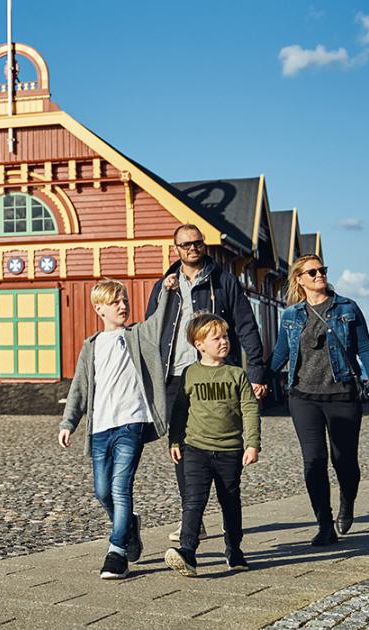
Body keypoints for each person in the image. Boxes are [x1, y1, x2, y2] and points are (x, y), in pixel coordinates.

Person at [146, 224, 267, 543]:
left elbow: (246, 326)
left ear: (204, 245)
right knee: (181, 447)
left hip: (216, 373)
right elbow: (150, 331)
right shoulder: (164, 285)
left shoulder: (224, 280)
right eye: (185, 245)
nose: (192, 248)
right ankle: (193, 519)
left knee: (222, 441)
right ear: (176, 249)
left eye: (197, 243)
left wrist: (256, 371)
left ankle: (230, 520)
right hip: (175, 375)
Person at [267, 255, 369, 546]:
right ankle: (324, 524)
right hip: (303, 397)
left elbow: (366, 347)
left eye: (322, 270)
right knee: (314, 461)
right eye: (312, 272)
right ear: (299, 279)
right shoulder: (291, 316)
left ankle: (347, 504)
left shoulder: (347, 308)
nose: (319, 275)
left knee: (344, 460)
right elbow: (281, 354)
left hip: (342, 394)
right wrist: (259, 379)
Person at [58, 277, 172, 579]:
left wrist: (166, 291)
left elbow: (160, 317)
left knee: (121, 488)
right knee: (102, 491)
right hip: (100, 428)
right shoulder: (91, 346)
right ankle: (130, 526)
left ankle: (116, 552)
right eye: (115, 302)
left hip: (130, 424)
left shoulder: (138, 335)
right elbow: (79, 387)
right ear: (100, 309)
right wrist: (69, 422)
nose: (123, 305)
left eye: (124, 300)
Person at [164, 312, 261, 577]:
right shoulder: (190, 374)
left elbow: (250, 410)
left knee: (230, 501)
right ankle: (187, 552)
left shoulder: (236, 374)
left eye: (225, 336)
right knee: (193, 501)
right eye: (216, 337)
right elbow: (180, 411)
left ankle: (234, 550)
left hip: (230, 451)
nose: (223, 341)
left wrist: (252, 443)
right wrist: (175, 440)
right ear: (199, 344)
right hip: (195, 449)